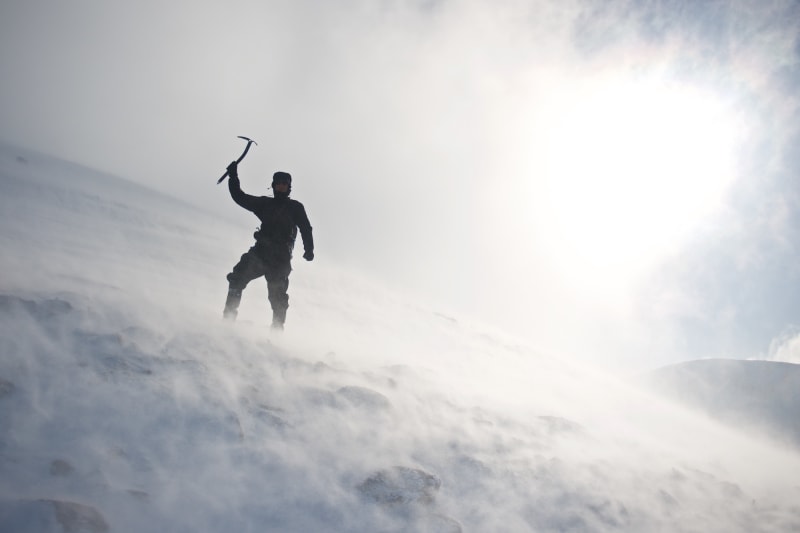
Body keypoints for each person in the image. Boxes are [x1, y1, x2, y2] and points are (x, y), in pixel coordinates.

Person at [222, 161, 314, 329]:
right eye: (278, 183)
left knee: (277, 297)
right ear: (273, 185)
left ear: (289, 187)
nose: (281, 186)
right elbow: (240, 197)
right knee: (237, 278)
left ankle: (277, 332)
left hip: (280, 260)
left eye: (284, 184)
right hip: (260, 253)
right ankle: (228, 320)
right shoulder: (265, 204)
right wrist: (233, 177)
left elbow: (306, 229)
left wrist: (309, 249)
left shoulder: (295, 207)